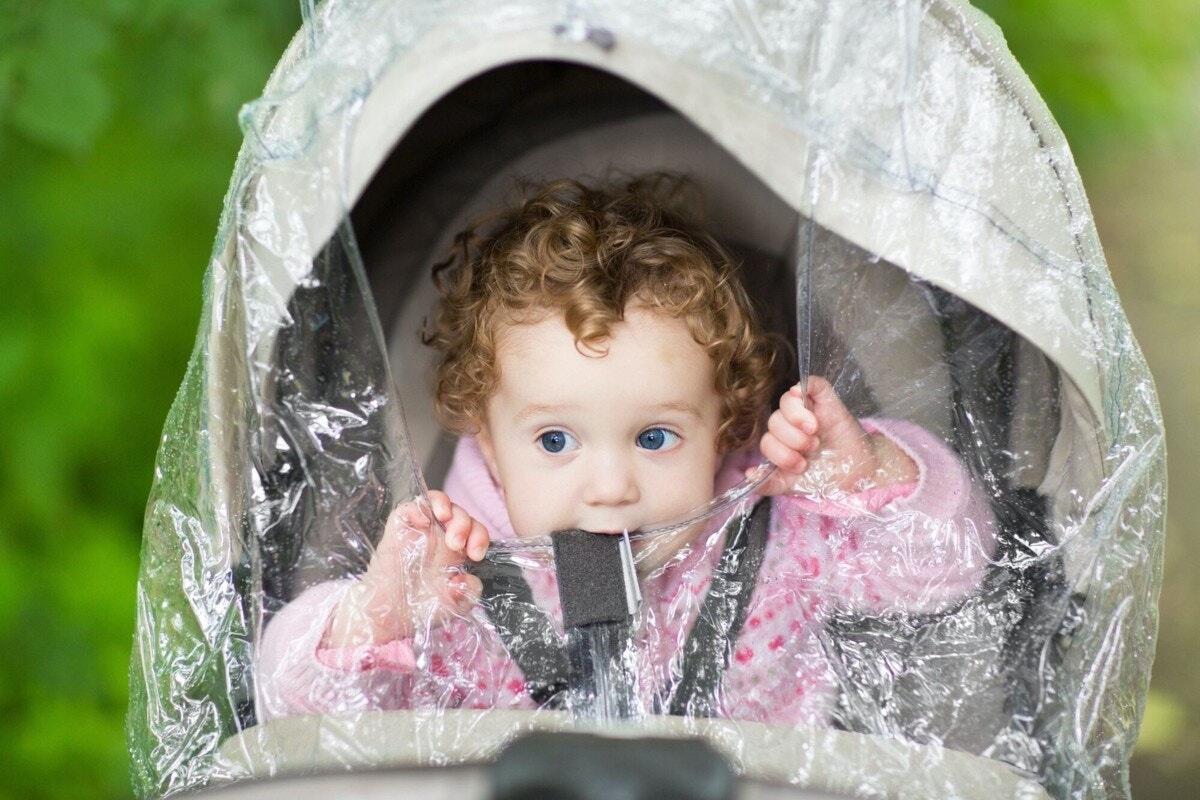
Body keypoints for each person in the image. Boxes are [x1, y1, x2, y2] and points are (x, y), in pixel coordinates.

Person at [258, 174, 997, 725]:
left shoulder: (776, 537)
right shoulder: (445, 584)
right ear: (485, 438)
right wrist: (373, 618)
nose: (609, 485)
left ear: (726, 426)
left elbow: (949, 570)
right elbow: (297, 714)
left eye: (654, 437)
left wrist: (869, 480)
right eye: (555, 440)